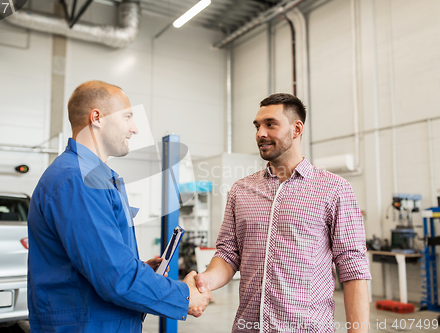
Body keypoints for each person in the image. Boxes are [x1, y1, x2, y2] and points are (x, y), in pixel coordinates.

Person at [27, 80, 211, 332]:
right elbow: (115, 277)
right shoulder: (77, 181)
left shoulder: (93, 177)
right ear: (97, 117)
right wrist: (185, 296)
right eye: (127, 117)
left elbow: (98, 261)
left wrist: (141, 269)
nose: (134, 128)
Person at [194, 93, 371, 332]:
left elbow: (353, 267)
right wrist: (204, 281)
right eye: (257, 126)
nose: (260, 133)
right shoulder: (241, 190)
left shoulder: (334, 189)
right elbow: (228, 254)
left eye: (270, 124)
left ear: (296, 129)